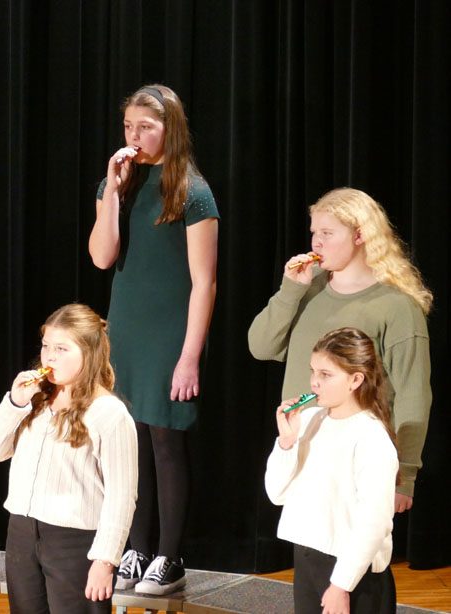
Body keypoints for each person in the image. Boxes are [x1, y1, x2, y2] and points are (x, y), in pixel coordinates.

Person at [88, 84, 219, 594]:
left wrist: (189, 356)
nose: (135, 136)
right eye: (129, 127)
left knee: (164, 439)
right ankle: (136, 548)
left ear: (171, 129)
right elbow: (102, 256)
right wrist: (112, 192)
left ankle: (170, 555)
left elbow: (204, 282)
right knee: (131, 440)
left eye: (146, 126)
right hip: (126, 328)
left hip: (170, 333)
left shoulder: (191, 189)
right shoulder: (117, 182)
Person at [248, 187, 431, 513]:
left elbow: (413, 394)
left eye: (327, 233)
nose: (316, 242)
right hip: (303, 449)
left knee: (357, 558)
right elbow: (261, 346)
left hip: (355, 455)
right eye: (314, 232)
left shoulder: (396, 305)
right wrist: (290, 290)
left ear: (360, 235)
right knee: (309, 558)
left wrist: (405, 476)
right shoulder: (308, 286)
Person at [0, 304, 137, 613]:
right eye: (46, 346)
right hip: (23, 533)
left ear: (88, 353)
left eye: (62, 348)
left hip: (74, 543)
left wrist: (105, 560)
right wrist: (15, 402)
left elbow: (122, 495)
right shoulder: (34, 399)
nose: (49, 356)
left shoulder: (109, 413)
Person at [265, 327, 398, 613]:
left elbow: (374, 521)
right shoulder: (311, 419)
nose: (314, 383)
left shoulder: (371, 437)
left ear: (355, 379)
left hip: (353, 575)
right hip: (308, 559)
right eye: (313, 371)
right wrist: (286, 443)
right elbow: (277, 494)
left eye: (326, 375)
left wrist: (341, 585)